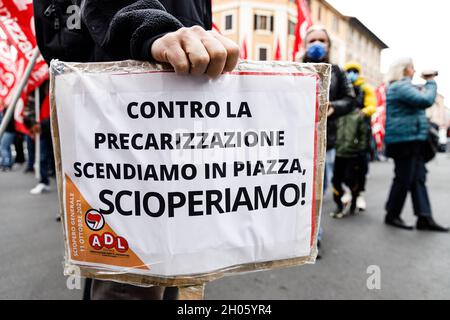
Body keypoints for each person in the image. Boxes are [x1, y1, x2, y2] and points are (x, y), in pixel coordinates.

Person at [34, 0, 239, 300]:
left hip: (178, 134)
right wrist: (150, 29)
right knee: (130, 277)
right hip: (128, 124)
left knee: (173, 270)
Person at [300, 25, 356, 251]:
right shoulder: (294, 68)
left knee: (318, 190)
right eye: (312, 39)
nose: (317, 44)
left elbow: (350, 100)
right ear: (305, 44)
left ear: (329, 45)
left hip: (326, 141)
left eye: (322, 40)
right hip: (297, 140)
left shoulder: (338, 72)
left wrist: (334, 106)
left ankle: (314, 234)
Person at [384, 58, 448, 232]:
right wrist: (431, 81)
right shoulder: (399, 86)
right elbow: (426, 100)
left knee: (418, 178)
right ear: (404, 69)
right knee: (403, 179)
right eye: (412, 67)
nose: (414, 70)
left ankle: (424, 217)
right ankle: (392, 214)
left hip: (413, 140)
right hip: (404, 141)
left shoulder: (404, 87)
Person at [342, 61, 377, 211]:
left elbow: (372, 106)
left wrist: (363, 112)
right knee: (345, 164)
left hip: (362, 132)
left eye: (354, 71)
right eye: (349, 71)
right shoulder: (343, 88)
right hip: (345, 133)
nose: (351, 74)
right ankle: (348, 190)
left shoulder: (366, 88)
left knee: (362, 165)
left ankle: (360, 193)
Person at [330, 108, 369, 218]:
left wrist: (360, 150)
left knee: (351, 180)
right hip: (339, 154)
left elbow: (364, 135)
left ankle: (354, 201)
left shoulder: (358, 115)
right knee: (336, 182)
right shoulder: (338, 114)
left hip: (352, 155)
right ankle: (339, 205)